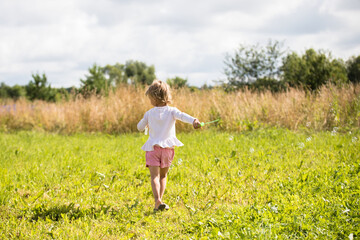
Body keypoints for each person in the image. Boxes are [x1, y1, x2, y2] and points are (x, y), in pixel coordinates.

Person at [137, 80, 201, 212]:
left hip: (152, 149)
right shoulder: (172, 111)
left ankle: (157, 201)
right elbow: (183, 116)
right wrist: (194, 120)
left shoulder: (149, 113)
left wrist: (146, 124)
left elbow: (139, 127)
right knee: (163, 176)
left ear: (154, 98)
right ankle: (160, 199)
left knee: (154, 176)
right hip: (167, 150)